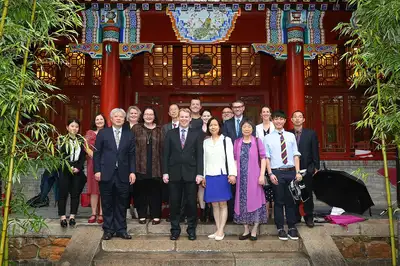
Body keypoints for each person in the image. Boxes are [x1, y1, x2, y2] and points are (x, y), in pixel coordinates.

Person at [94, 108, 136, 240]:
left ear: (124, 119)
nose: (118, 118)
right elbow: (97, 153)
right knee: (107, 202)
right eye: (116, 116)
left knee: (122, 203)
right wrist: (97, 170)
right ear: (111, 119)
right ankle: (108, 229)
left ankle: (121, 229)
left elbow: (132, 155)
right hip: (106, 173)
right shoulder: (103, 133)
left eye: (121, 117)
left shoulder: (129, 134)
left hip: (123, 174)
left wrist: (132, 172)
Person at [163, 108, 204, 241]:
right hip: (174, 173)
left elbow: (199, 155)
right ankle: (175, 230)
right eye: (182, 117)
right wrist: (165, 172)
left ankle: (191, 230)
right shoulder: (170, 133)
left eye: (187, 117)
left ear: (190, 118)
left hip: (191, 174)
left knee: (191, 203)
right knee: (174, 203)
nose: (184, 119)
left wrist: (199, 173)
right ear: (178, 118)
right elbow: (165, 155)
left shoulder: (197, 133)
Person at [264, 110, 302, 241]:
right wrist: (270, 173)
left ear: (285, 121)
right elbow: (267, 157)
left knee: (291, 201)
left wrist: (297, 172)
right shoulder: (267, 138)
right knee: (278, 201)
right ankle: (280, 227)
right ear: (272, 121)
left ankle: (292, 227)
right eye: (276, 119)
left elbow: (295, 155)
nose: (279, 121)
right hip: (277, 172)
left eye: (281, 119)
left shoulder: (290, 136)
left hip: (291, 171)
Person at [202, 117, 237, 241]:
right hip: (210, 175)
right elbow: (204, 160)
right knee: (214, 204)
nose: (213, 127)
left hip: (222, 174)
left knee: (223, 203)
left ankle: (221, 230)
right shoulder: (205, 142)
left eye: (215, 125)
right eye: (211, 125)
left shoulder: (226, 140)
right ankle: (218, 229)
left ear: (219, 127)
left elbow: (230, 158)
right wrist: (203, 176)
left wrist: (232, 174)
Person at [233, 119, 267, 241]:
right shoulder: (237, 142)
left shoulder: (257, 141)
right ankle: (246, 229)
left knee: (256, 201)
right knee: (241, 202)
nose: (246, 129)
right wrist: (234, 174)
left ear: (253, 129)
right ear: (241, 129)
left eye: (249, 127)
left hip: (255, 177)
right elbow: (235, 159)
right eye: (244, 127)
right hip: (241, 178)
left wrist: (262, 175)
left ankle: (254, 230)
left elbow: (263, 158)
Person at [223, 100, 255, 221]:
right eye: (234, 107)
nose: (237, 109)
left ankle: (246, 214)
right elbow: (225, 140)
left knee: (246, 188)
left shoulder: (250, 121)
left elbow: (253, 139)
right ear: (232, 109)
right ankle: (232, 215)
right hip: (231, 159)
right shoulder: (227, 123)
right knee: (232, 187)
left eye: (239, 107)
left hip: (247, 160)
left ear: (243, 108)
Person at [132, 107, 164, 225]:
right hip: (140, 165)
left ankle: (156, 215)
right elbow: (131, 147)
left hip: (157, 166)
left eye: (151, 114)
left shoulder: (160, 130)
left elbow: (164, 149)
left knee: (155, 192)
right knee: (141, 192)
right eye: (146, 114)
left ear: (154, 116)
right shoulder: (136, 128)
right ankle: (142, 215)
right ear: (143, 116)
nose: (149, 116)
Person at [290, 110, 320, 228]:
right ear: (291, 120)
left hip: (307, 168)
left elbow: (315, 152)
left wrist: (315, 167)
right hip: (292, 168)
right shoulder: (288, 134)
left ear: (303, 120)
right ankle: (296, 216)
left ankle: (309, 217)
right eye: (295, 117)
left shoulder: (311, 133)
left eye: (300, 117)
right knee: (294, 193)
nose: (297, 119)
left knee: (307, 194)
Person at [58, 119, 87, 228]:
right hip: (65, 169)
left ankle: (72, 216)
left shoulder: (81, 140)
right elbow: (59, 157)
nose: (74, 128)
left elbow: (83, 157)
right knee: (63, 194)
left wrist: (78, 168)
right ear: (67, 127)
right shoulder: (61, 139)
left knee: (75, 194)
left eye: (76, 127)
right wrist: (68, 167)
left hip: (77, 169)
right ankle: (62, 217)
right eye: (72, 126)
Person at [85, 113, 107, 224]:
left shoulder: (108, 132)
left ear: (105, 120)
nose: (99, 121)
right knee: (94, 189)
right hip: (92, 163)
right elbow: (86, 147)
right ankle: (93, 213)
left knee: (103, 188)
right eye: (97, 119)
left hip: (106, 163)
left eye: (101, 119)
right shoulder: (90, 133)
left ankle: (102, 213)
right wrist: (95, 156)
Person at [161, 103, 180, 221]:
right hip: (171, 162)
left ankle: (182, 213)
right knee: (172, 191)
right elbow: (164, 146)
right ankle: (172, 213)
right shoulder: (165, 128)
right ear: (168, 113)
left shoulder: (187, 125)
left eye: (175, 109)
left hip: (184, 163)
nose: (173, 111)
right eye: (171, 110)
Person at [256, 106, 275, 218]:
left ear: (270, 113)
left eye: (267, 111)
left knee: (274, 187)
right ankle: (266, 213)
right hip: (261, 160)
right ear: (261, 114)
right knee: (265, 187)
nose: (265, 113)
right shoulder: (257, 128)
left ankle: (275, 213)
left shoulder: (275, 126)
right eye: (263, 112)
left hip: (274, 160)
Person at [124, 106, 141, 219]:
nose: (133, 115)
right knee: (126, 186)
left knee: (138, 187)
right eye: (131, 113)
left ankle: (136, 208)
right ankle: (126, 209)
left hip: (139, 160)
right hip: (125, 159)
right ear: (128, 115)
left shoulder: (141, 126)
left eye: (135, 113)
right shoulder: (123, 126)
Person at [199, 109, 212, 222]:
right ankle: (203, 210)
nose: (206, 117)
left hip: (212, 160)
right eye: (204, 115)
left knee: (211, 185)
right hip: (200, 159)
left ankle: (210, 209)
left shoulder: (214, 127)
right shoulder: (196, 128)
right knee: (201, 186)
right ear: (201, 117)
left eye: (208, 115)